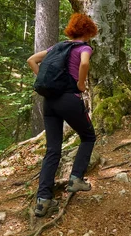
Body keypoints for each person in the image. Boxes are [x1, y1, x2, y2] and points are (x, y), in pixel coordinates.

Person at [27, 13, 98, 217]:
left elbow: (32, 60)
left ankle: (43, 201)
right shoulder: (84, 48)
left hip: (50, 102)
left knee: (52, 149)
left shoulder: (57, 47)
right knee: (88, 137)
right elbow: (84, 64)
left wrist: (49, 82)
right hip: (69, 99)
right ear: (87, 31)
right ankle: (76, 178)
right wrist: (81, 84)